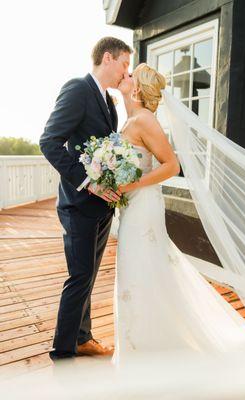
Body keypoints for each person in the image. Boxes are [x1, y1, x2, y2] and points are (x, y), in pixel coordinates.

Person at [112, 63, 245, 365]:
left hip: (144, 206)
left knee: (142, 265)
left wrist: (133, 184)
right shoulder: (131, 119)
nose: (124, 76)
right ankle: (136, 345)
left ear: (139, 87)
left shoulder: (145, 121)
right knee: (138, 267)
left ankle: (151, 351)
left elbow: (172, 166)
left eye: (130, 75)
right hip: (132, 206)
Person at [39, 37, 133, 360]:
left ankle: (82, 337)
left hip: (102, 206)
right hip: (79, 204)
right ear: (108, 58)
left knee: (89, 275)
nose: (126, 72)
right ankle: (62, 351)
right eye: (124, 64)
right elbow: (49, 142)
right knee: (79, 275)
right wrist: (87, 183)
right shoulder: (78, 89)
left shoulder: (108, 101)